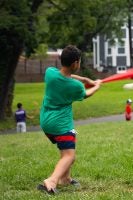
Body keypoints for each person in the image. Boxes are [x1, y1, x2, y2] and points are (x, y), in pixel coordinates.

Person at [37, 45, 101, 194]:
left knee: (65, 148)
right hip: (61, 124)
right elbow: (85, 94)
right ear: (75, 63)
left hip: (46, 122)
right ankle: (52, 181)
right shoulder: (76, 87)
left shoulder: (50, 73)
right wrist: (96, 86)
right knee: (69, 156)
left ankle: (66, 179)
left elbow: (66, 76)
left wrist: (85, 79)